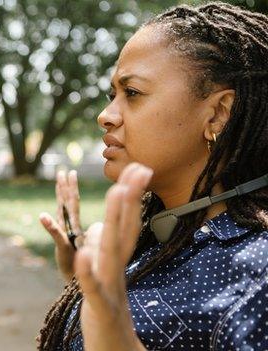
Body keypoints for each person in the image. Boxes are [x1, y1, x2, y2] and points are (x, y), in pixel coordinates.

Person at [37, 2, 268, 350]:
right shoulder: (158, 239)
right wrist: (82, 278)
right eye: (112, 95)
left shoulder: (257, 276)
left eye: (132, 93)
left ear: (218, 114)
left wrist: (110, 321)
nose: (106, 115)